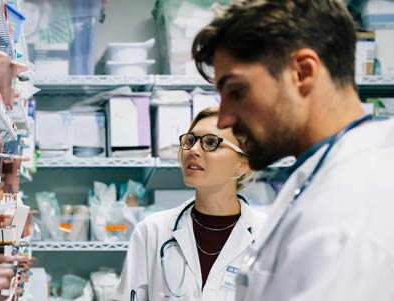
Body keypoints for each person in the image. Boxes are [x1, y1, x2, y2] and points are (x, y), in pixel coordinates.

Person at [191, 0, 394, 300]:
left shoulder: (350, 211)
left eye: (236, 91)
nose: (225, 119)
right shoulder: (322, 170)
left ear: (302, 72)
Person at [117, 107, 267, 300]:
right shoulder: (152, 231)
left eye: (211, 142)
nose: (193, 150)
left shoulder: (268, 235)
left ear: (242, 165)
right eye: (190, 141)